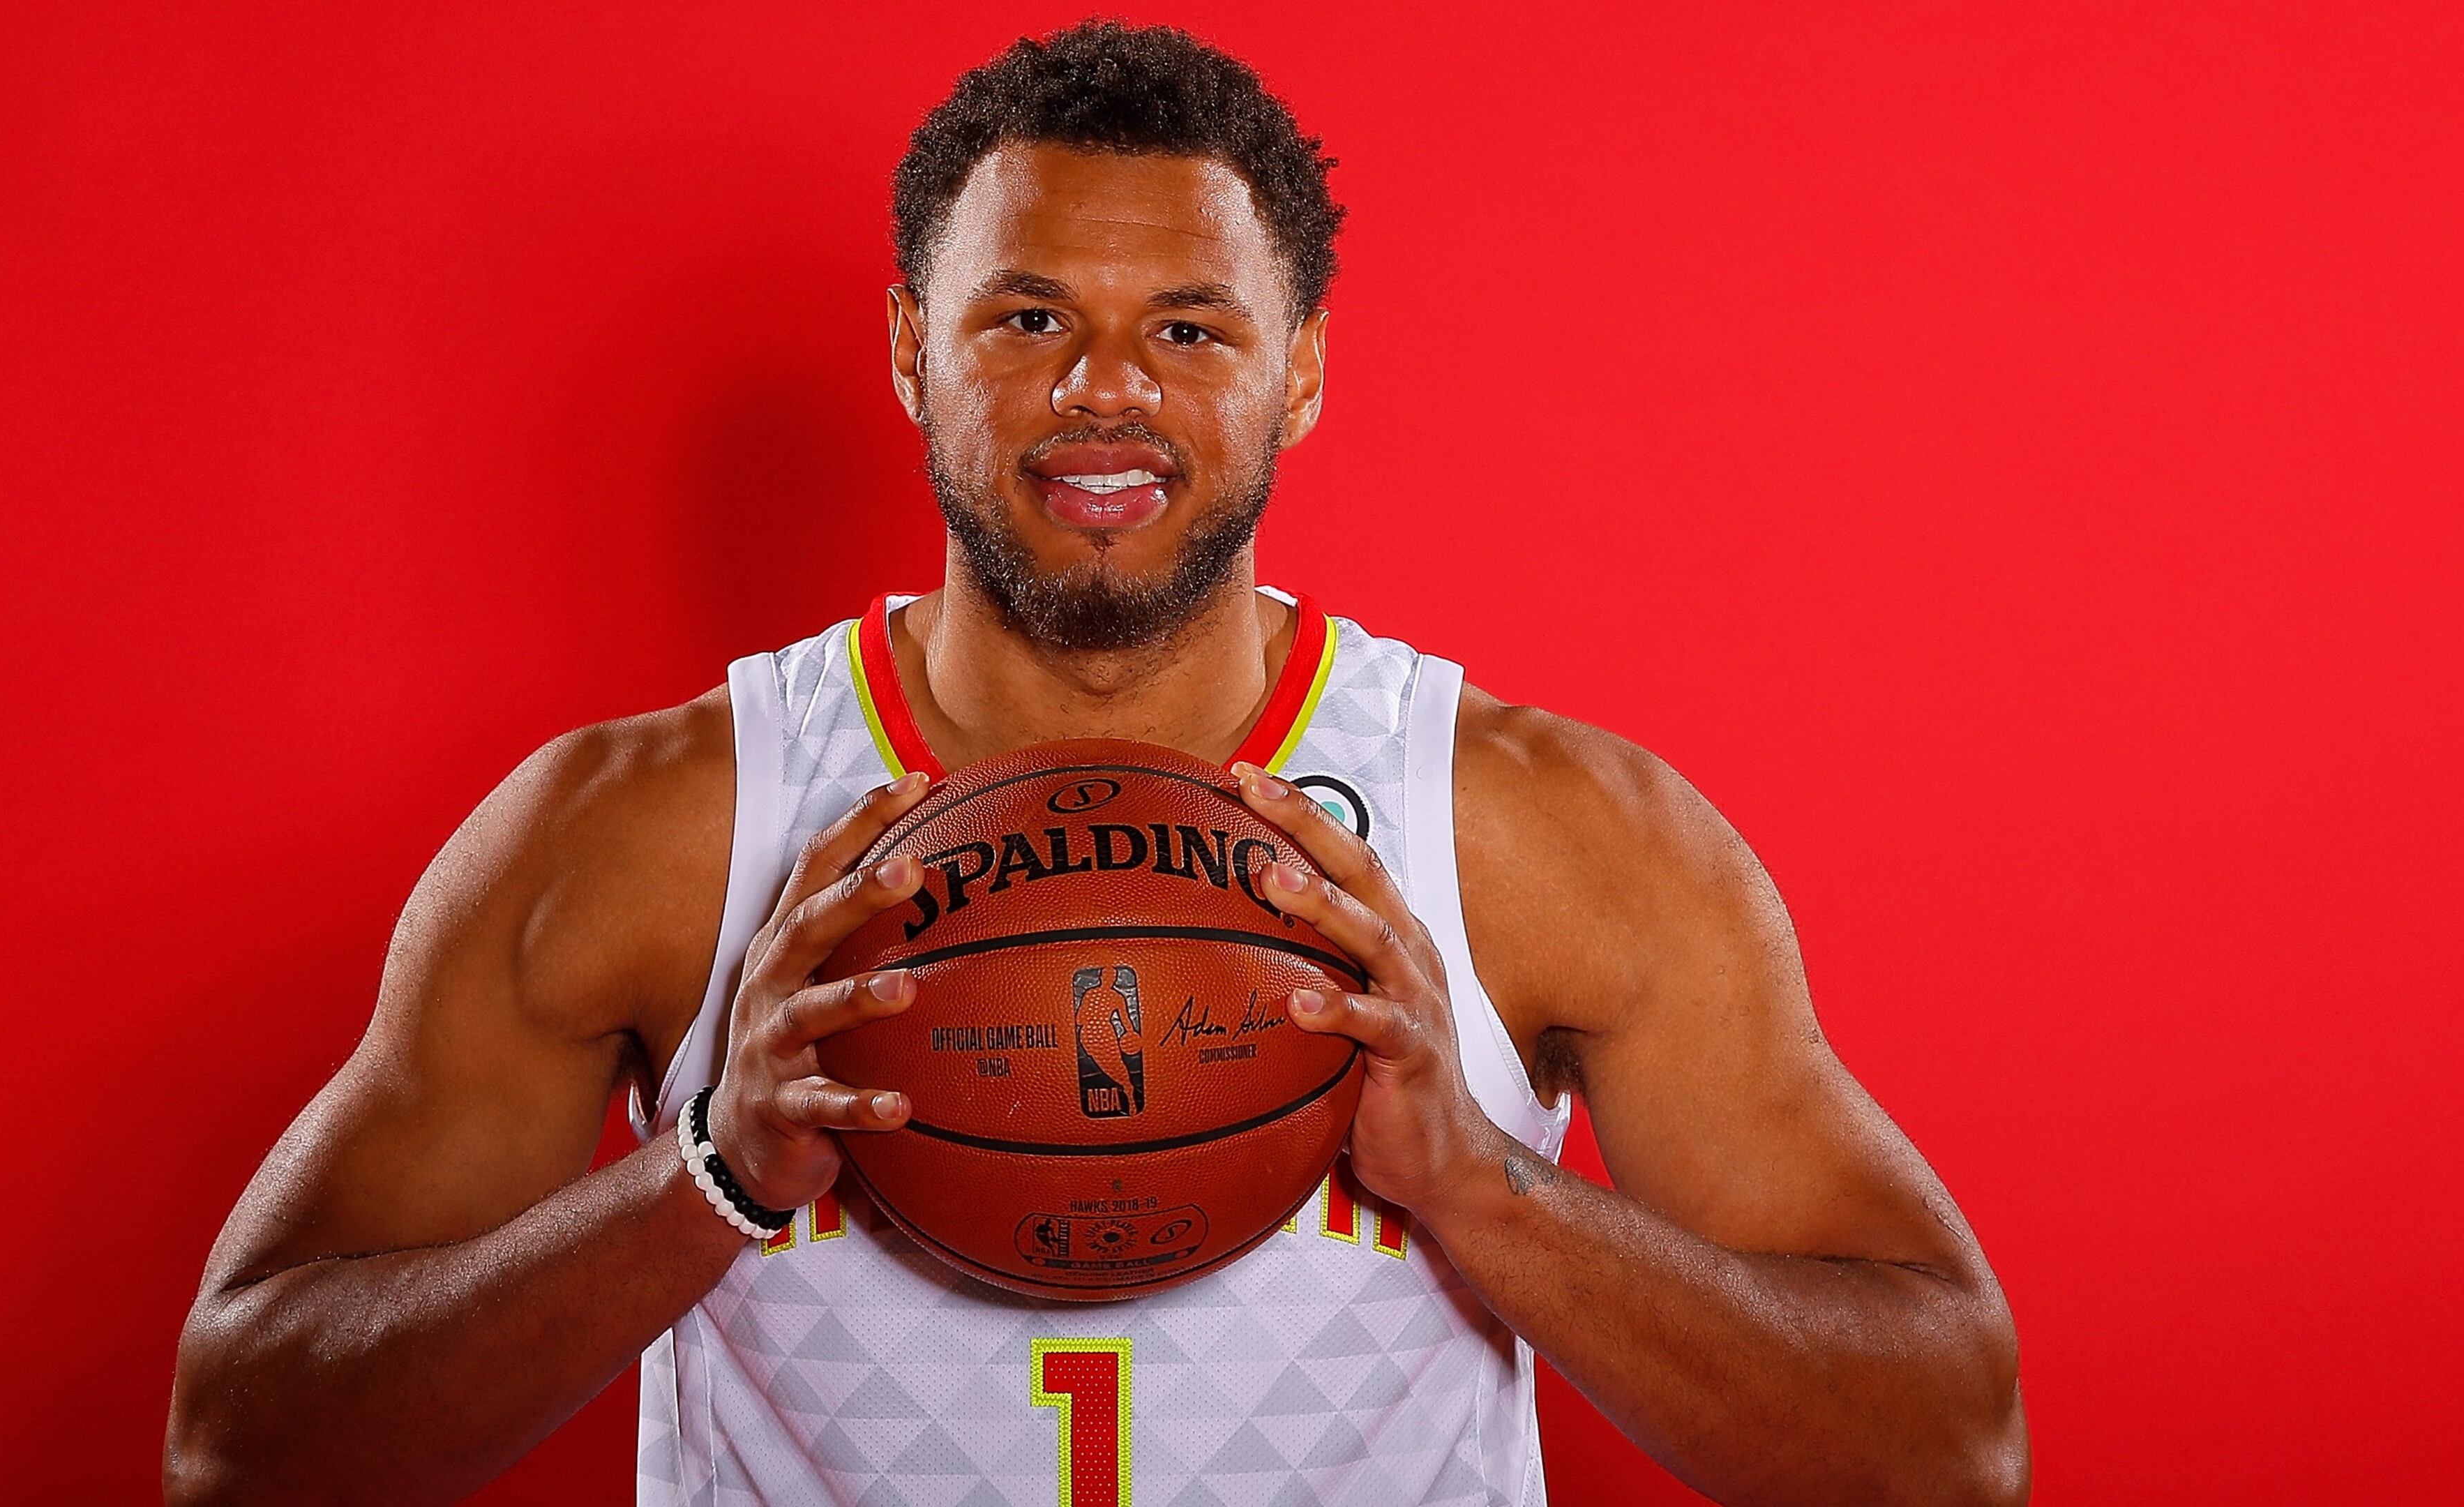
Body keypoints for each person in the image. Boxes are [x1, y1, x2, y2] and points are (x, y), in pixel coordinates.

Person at [165, 21, 2027, 1506]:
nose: (1103, 393)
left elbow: (1944, 1452)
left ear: (1299, 371)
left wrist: (1483, 1189)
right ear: (912, 350)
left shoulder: (1539, 832)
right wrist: (710, 1179)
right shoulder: (656, 825)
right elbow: (242, 1445)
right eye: (1027, 316)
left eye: (1191, 330)